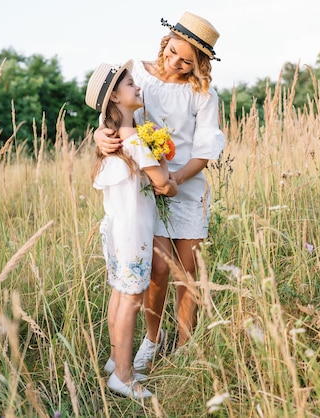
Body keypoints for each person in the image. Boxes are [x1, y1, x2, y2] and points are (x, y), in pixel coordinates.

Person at [94, 11, 225, 371]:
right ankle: (153, 339)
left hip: (185, 184)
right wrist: (99, 136)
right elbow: (116, 115)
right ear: (166, 42)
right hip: (149, 184)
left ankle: (185, 345)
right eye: (172, 53)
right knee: (157, 270)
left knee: (187, 271)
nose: (176, 63)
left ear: (200, 63)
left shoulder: (203, 95)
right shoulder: (140, 77)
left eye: (187, 61)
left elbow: (204, 150)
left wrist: (177, 180)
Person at [86, 60, 177, 398]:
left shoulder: (112, 138)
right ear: (114, 98)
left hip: (117, 227)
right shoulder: (133, 140)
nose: (136, 86)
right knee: (131, 299)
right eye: (128, 84)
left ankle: (115, 360)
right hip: (133, 231)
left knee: (121, 294)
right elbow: (162, 180)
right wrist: (162, 157)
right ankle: (123, 376)